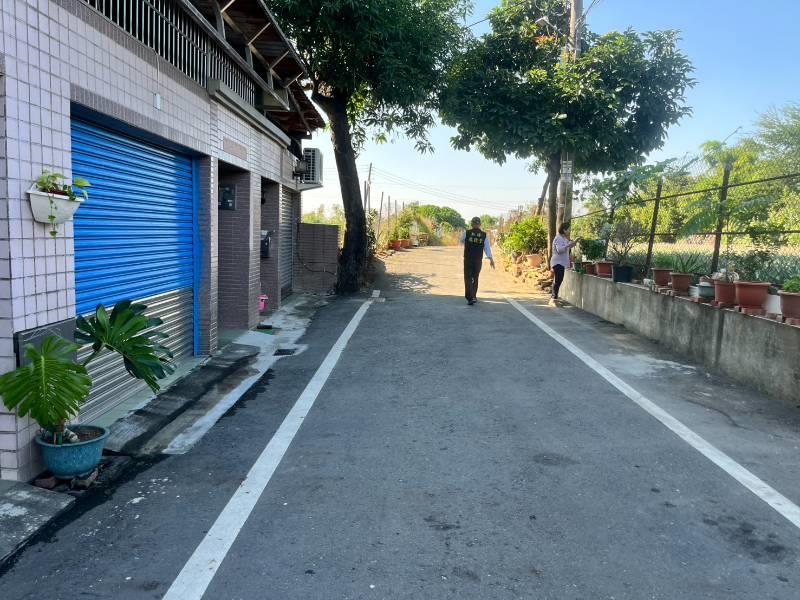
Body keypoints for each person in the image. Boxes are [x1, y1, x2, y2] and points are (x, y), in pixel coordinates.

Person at [460, 217, 495, 305]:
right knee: (475, 277)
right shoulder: (484, 235)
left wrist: (467, 243)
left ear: (471, 224)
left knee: (468, 278)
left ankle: (470, 298)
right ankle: (474, 296)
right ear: (480, 225)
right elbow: (487, 248)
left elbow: (461, 240)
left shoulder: (467, 233)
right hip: (478, 260)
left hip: (468, 259)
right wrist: (490, 258)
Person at [550, 221, 580, 306]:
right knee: (558, 280)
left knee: (559, 280)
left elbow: (570, 245)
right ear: (564, 230)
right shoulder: (558, 238)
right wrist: (568, 245)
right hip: (557, 262)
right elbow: (559, 250)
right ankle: (553, 299)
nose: (569, 231)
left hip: (561, 263)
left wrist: (576, 241)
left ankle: (554, 298)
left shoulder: (564, 239)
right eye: (568, 229)